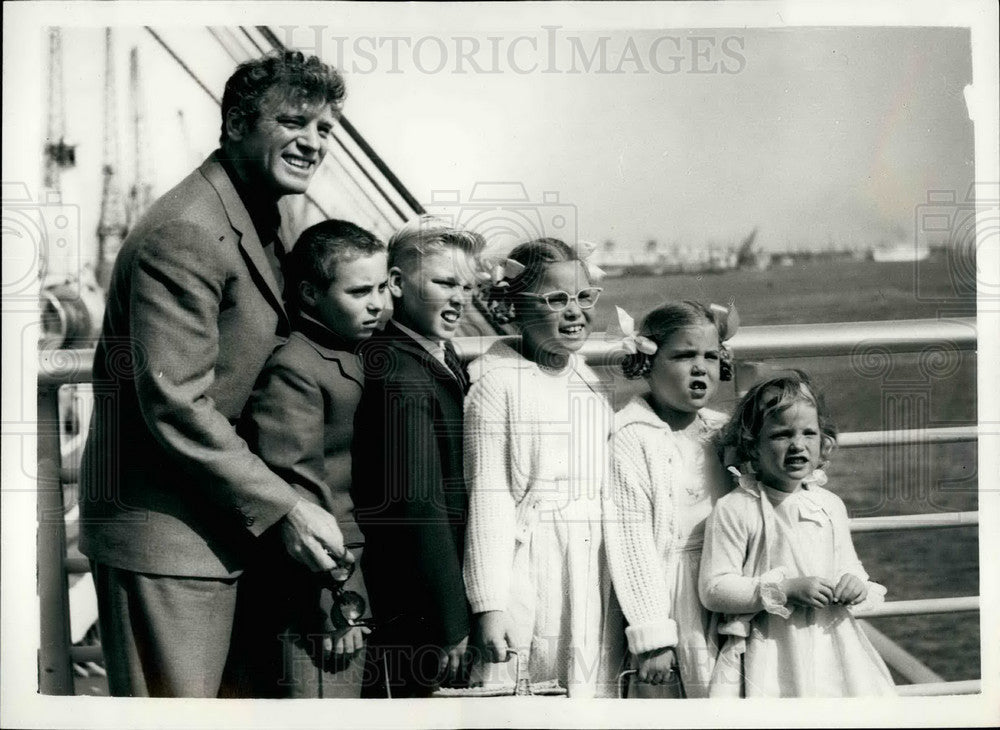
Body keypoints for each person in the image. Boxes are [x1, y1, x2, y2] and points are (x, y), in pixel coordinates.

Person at [78, 51, 354, 697]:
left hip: (224, 530)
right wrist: (286, 505)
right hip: (167, 540)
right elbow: (175, 401)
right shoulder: (186, 230)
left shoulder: (261, 213)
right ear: (235, 122)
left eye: (325, 129)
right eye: (294, 122)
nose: (313, 143)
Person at [229, 220, 388, 697]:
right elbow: (303, 496)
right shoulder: (295, 368)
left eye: (382, 287)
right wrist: (338, 602)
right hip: (324, 596)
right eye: (359, 291)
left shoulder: (350, 352)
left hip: (356, 578)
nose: (377, 303)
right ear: (310, 295)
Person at [463, 238, 624, 698]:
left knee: (589, 680)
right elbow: (489, 499)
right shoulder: (497, 385)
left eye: (583, 297)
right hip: (533, 563)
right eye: (556, 300)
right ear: (514, 307)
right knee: (535, 676)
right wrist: (489, 605)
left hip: (588, 558)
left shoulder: (584, 377)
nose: (575, 312)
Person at [350, 215, 485, 698]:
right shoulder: (400, 376)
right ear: (397, 284)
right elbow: (418, 505)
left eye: (466, 286)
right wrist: (451, 619)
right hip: (417, 607)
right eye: (445, 282)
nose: (459, 297)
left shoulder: (431, 356)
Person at [699, 370, 896, 697]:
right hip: (772, 648)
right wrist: (784, 589)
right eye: (781, 435)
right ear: (752, 445)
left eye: (809, 433)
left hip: (831, 642)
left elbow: (848, 564)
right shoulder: (736, 508)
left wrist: (854, 582)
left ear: (823, 442)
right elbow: (714, 588)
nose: (798, 445)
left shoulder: (829, 504)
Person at [604, 301, 737, 698]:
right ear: (646, 363)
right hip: (671, 593)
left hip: (726, 585)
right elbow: (632, 544)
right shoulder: (632, 437)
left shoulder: (724, 431)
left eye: (710, 356)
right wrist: (652, 635)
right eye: (683, 355)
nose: (700, 367)